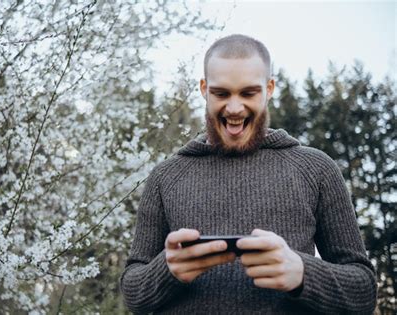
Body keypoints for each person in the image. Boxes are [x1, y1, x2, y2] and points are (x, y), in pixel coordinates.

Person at [120, 34, 377, 314]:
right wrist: (166, 270)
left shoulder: (316, 169)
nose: (234, 108)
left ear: (269, 89)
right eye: (221, 93)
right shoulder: (166, 176)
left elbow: (363, 292)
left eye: (248, 93)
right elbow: (134, 295)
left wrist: (303, 273)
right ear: (204, 89)